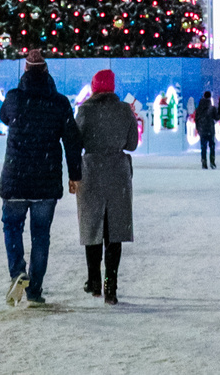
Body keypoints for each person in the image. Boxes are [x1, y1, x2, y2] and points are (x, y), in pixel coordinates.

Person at [0, 48, 83, 307]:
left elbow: (3, 117)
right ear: (47, 72)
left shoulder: (13, 98)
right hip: (46, 182)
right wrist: (74, 175)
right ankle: (34, 290)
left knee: (12, 227)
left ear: (25, 71)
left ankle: (17, 272)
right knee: (41, 235)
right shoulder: (59, 103)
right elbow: (72, 141)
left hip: (15, 180)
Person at [75, 69, 138, 305]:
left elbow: (76, 140)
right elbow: (131, 144)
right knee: (115, 231)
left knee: (92, 227)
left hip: (91, 173)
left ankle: (93, 281)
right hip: (118, 174)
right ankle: (111, 287)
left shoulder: (85, 110)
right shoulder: (124, 110)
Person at [192, 87, 220, 169]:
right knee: (212, 146)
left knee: (203, 146)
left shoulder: (199, 108)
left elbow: (196, 119)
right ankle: (212, 161)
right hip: (210, 129)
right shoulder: (212, 108)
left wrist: (198, 128)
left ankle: (204, 161)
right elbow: (217, 118)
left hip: (202, 129)